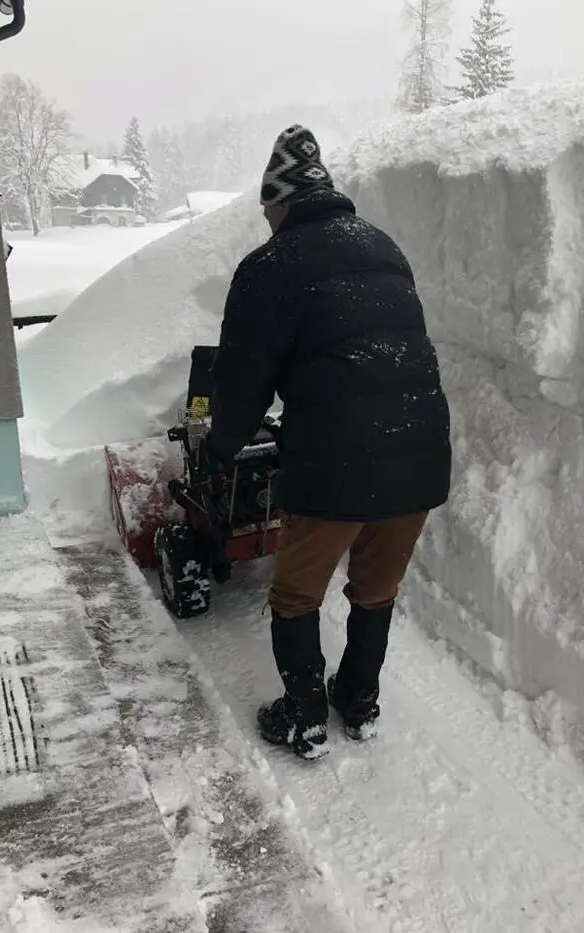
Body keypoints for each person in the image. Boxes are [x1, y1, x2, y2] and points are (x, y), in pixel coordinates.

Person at [209, 125, 451, 761]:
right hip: (420, 451)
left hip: (336, 462)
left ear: (282, 201)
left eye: (266, 207)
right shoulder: (382, 244)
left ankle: (305, 717)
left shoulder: (272, 264)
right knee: (376, 588)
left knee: (296, 595)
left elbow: (242, 374)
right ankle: (359, 702)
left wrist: (222, 444)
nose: (265, 219)